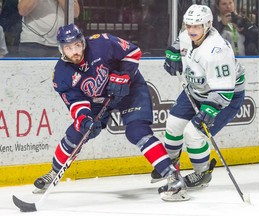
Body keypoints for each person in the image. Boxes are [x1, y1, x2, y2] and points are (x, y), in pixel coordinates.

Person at [32, 23, 190, 202]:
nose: (75, 51)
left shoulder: (102, 43)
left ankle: (173, 176)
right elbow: (76, 102)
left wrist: (123, 75)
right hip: (98, 101)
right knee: (76, 133)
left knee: (137, 131)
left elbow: (132, 51)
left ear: (83, 41)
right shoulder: (61, 74)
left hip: (130, 89)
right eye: (69, 48)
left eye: (77, 45)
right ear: (61, 49)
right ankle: (54, 172)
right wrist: (85, 120)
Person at [150, 4, 245, 190]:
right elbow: (180, 42)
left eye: (197, 26)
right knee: (173, 124)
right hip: (196, 90)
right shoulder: (187, 34)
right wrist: (173, 53)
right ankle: (170, 165)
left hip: (224, 97)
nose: (191, 30)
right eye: (189, 25)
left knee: (194, 133)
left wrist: (209, 110)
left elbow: (225, 90)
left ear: (207, 25)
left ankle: (202, 173)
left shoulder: (217, 51)